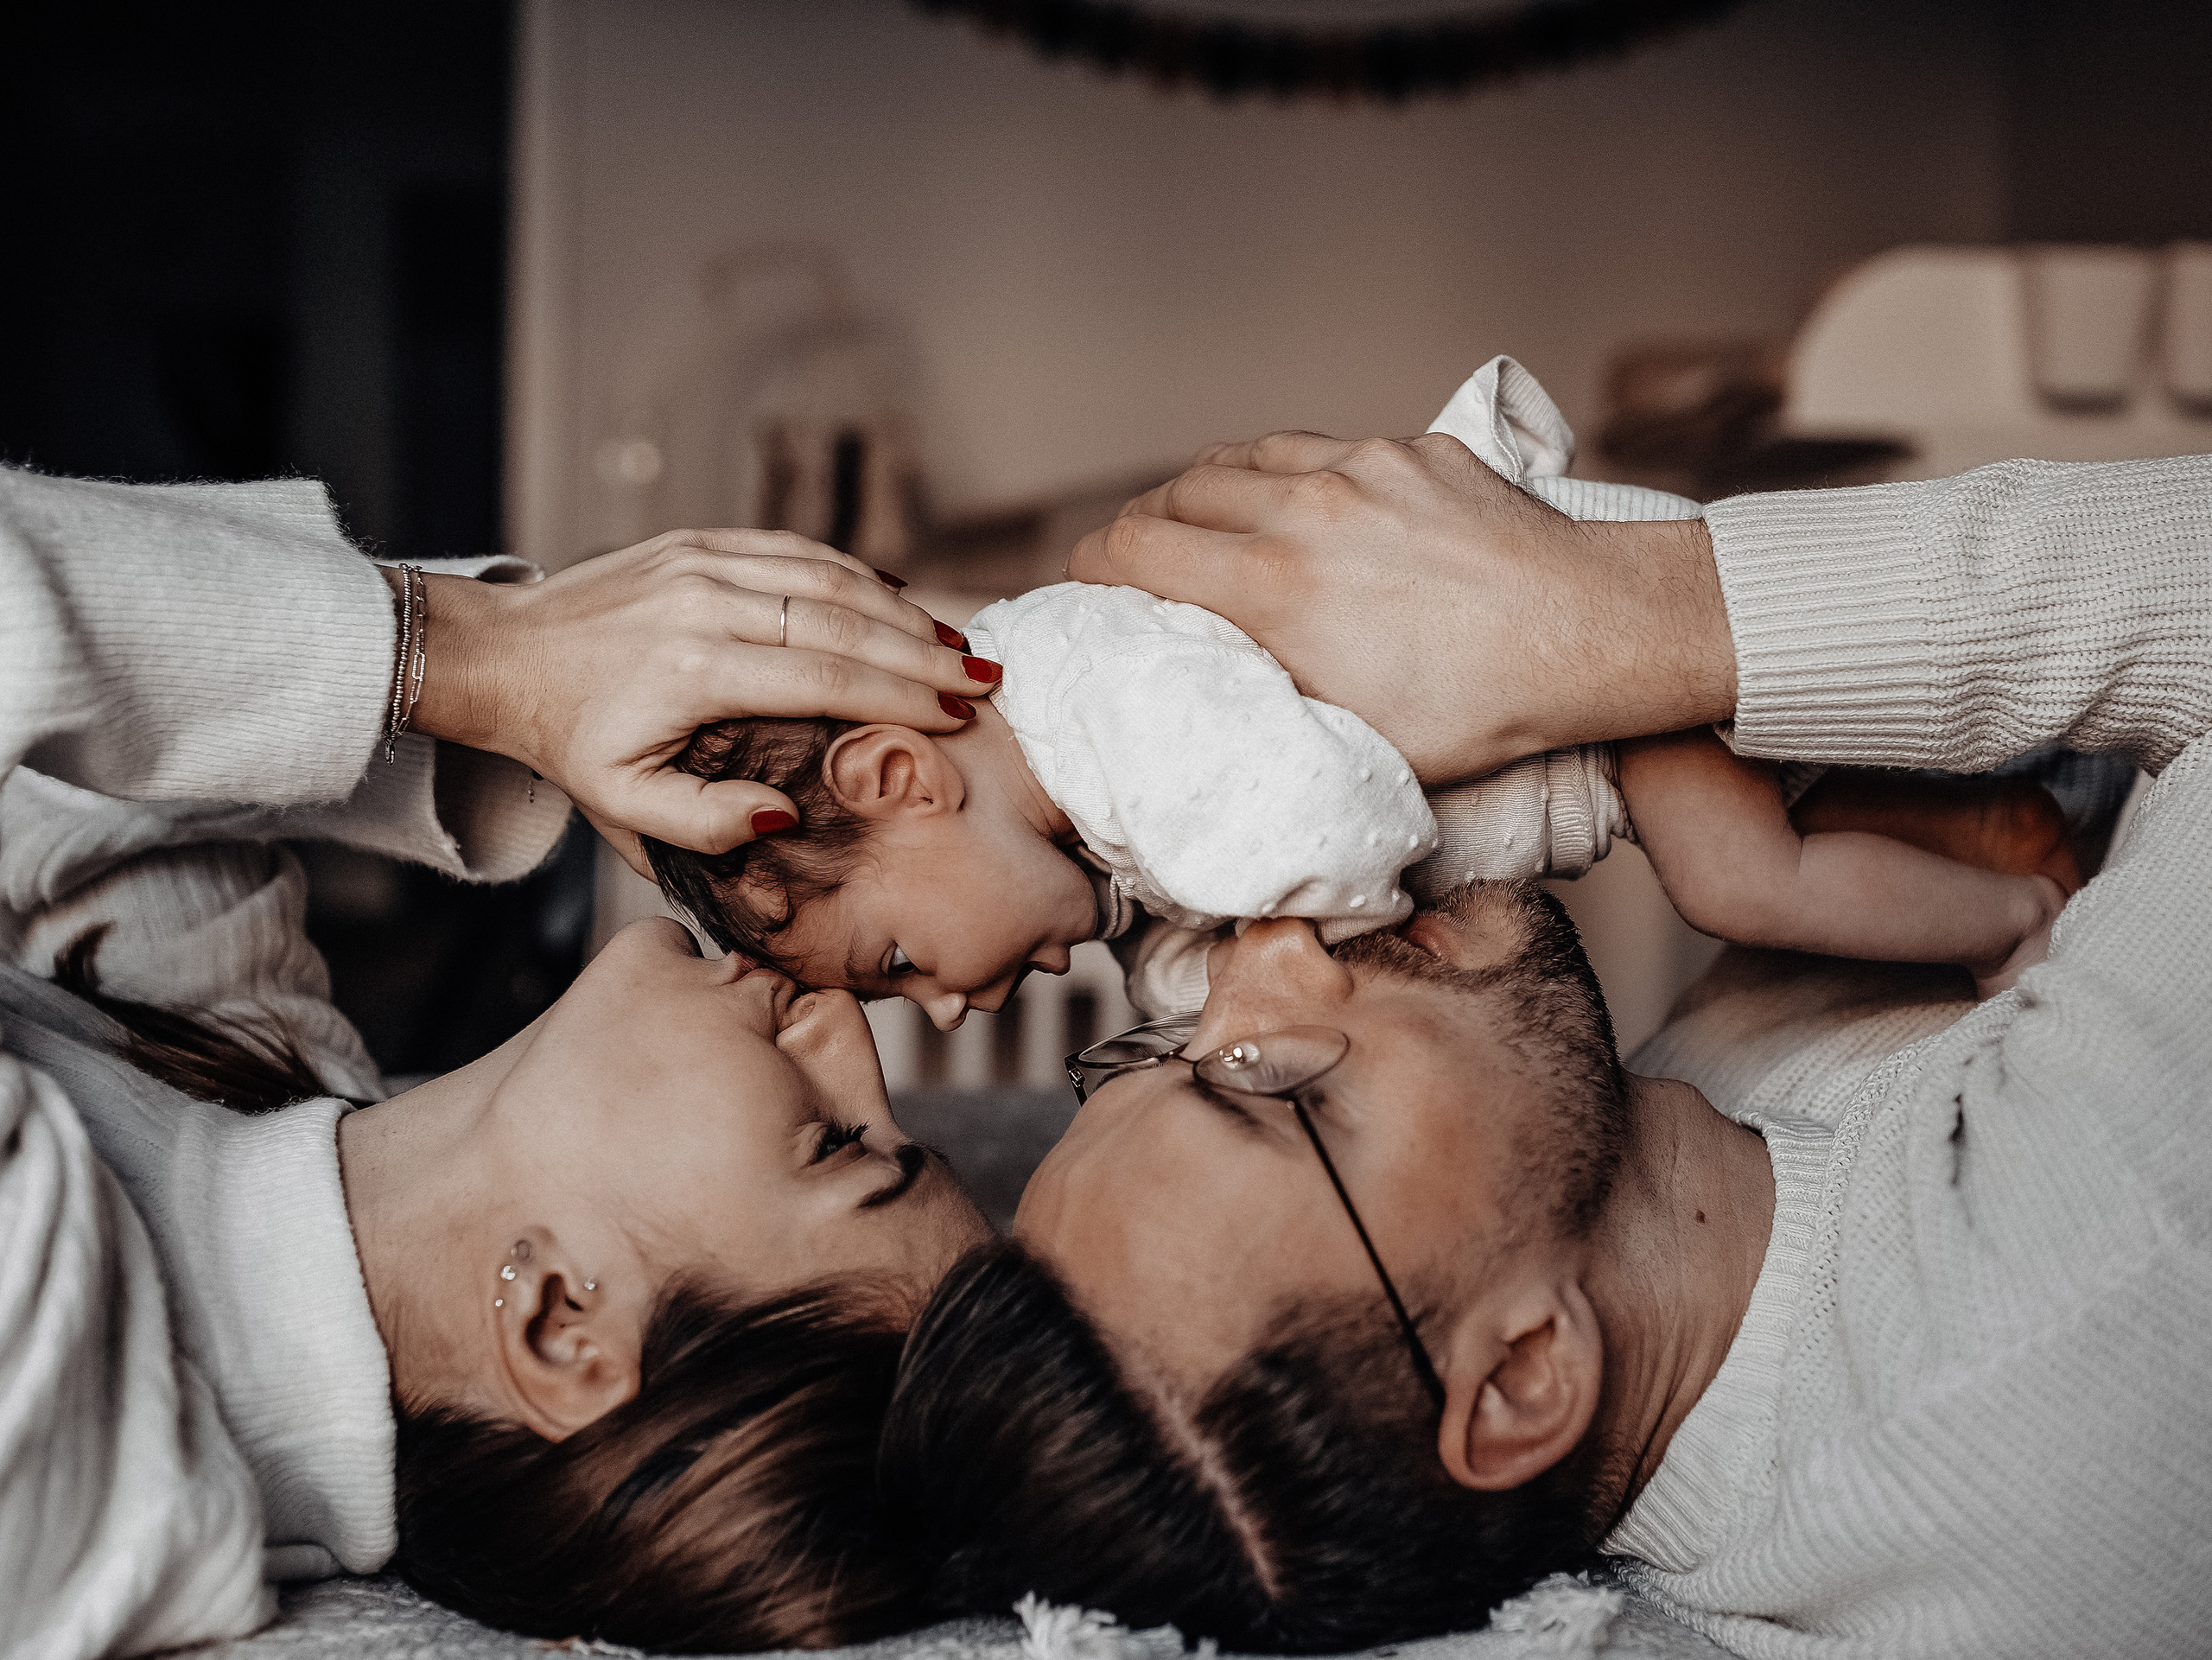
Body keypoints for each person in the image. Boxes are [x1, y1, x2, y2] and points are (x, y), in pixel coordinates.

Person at [878, 441, 2212, 1659]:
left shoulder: (1696, 1178)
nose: (1260, 951)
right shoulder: (2104, 1250)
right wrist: (1617, 610)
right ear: (1523, 1377)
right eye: (1272, 1088)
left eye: (1167, 1048)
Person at [0, 464, 1005, 1660]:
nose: (844, 1028)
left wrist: (479, 659)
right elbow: (82, 805)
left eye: (838, 1144)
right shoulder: (252, 1096)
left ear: (561, 1324)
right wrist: (573, 717)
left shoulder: (41, 1350)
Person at [649, 360, 2070, 1036]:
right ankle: (1999, 827)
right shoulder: (1083, 779)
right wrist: (1202, 985)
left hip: (1578, 629)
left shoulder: (1099, 697)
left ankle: (2021, 927)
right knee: (1855, 788)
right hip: (1565, 687)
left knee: (1745, 878)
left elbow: (1327, 818)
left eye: (900, 959)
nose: (948, 1013)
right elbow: (1190, 922)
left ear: (903, 777)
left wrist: (1249, 961)